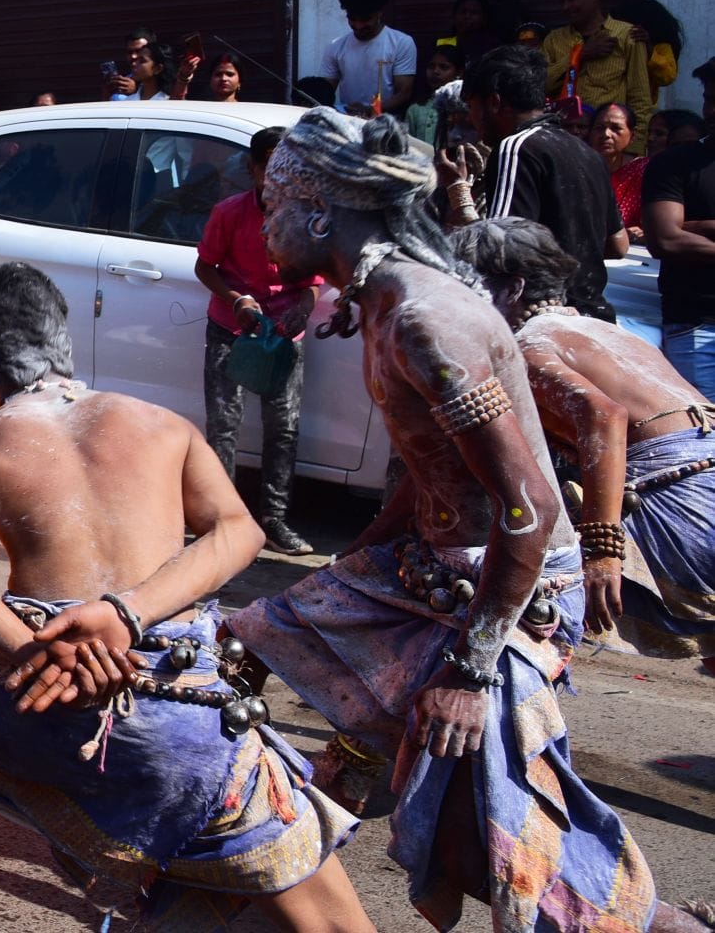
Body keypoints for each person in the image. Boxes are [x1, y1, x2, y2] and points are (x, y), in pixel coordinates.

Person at [0, 260, 371, 931]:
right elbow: (238, 532)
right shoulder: (163, 425)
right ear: (65, 348)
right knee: (323, 910)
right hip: (191, 721)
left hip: (39, 705)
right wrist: (125, 612)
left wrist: (25, 650)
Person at [227, 109, 707, 932]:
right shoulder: (381, 302)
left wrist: (471, 672)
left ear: (319, 211)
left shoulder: (423, 318)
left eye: (271, 204)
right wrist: (348, 573)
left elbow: (530, 506)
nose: (260, 224)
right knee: (238, 644)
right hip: (434, 567)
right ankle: (258, 870)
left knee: (505, 858)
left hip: (508, 593)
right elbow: (431, 475)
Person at [453, 216, 715, 675]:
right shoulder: (601, 330)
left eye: (467, 290)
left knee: (521, 608)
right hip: (699, 478)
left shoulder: (528, 349)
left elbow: (602, 416)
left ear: (513, 290)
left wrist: (603, 550)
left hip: (680, 499)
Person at [191, 126, 319, 556]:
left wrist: (304, 306)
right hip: (232, 327)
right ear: (253, 168)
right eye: (269, 165)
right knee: (224, 427)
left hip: (283, 334)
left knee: (283, 429)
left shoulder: (305, 215)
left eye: (287, 166)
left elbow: (314, 279)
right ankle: (221, 521)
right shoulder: (230, 212)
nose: (277, 175)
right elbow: (205, 266)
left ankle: (275, 521)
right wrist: (237, 299)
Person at [443, 46, 624, 321]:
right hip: (594, 315)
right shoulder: (587, 153)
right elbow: (617, 244)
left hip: (542, 317)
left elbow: (499, 249)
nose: (471, 118)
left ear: (494, 102)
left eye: (471, 106)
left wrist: (457, 192)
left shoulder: (515, 148)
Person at [643, 74, 715, 395]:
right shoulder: (675, 163)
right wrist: (677, 228)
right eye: (709, 99)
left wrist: (698, 225)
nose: (711, 111)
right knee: (704, 438)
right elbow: (665, 238)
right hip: (696, 325)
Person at [541, 0, 650, 155]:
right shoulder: (554, 39)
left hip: (610, 145)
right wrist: (579, 56)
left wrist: (632, 150)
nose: (566, 7)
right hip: (566, 143)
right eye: (562, 1)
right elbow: (540, 84)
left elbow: (640, 99)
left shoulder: (627, 36)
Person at [321, 0, 418, 115]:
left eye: (365, 19)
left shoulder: (401, 43)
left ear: (380, 13)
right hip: (348, 124)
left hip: (386, 125)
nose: (359, 26)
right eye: (353, 19)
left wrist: (371, 110)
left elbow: (403, 94)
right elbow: (325, 91)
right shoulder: (335, 47)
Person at [594, 103, 647, 236]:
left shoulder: (644, 170)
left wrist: (645, 232)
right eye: (599, 128)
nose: (606, 134)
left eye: (616, 128)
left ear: (632, 136)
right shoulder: (577, 167)